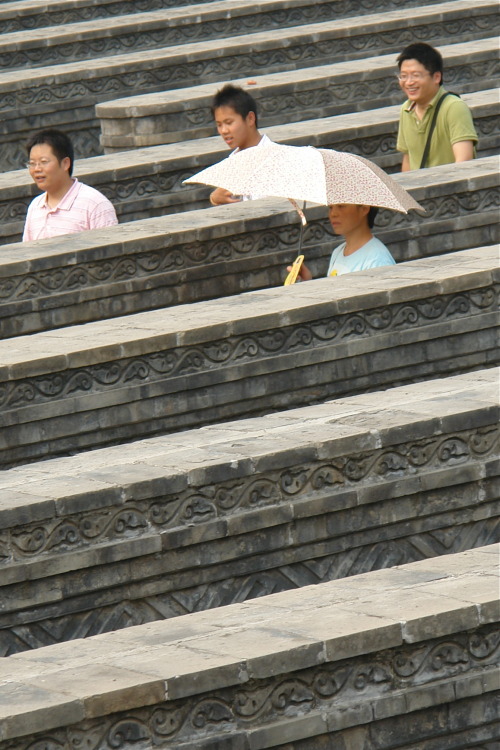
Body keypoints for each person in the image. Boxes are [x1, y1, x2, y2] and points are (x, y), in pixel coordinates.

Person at [23, 129, 118, 241]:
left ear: (65, 163)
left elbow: (109, 252)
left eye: (44, 162)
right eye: (32, 164)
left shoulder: (95, 204)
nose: (37, 169)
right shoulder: (35, 206)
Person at [396, 42, 477, 171]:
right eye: (403, 76)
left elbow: (464, 161)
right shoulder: (406, 109)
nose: (409, 82)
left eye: (416, 75)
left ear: (436, 77)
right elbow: (408, 158)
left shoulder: (454, 107)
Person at [289, 204, 395, 281]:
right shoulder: (338, 252)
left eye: (341, 206)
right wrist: (307, 283)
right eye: (330, 207)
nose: (333, 214)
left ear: (364, 209)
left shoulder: (378, 260)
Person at [209, 84, 273, 206]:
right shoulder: (232, 163)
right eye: (219, 125)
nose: (224, 131)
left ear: (250, 119)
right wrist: (215, 198)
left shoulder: (274, 158)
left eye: (229, 122)